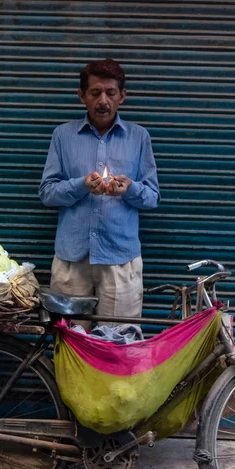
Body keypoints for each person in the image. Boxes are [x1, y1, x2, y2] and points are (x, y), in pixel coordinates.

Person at [39, 59, 160, 322]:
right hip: (72, 261)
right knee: (70, 342)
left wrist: (129, 189)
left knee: (118, 345)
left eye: (111, 93)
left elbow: (152, 197)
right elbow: (47, 193)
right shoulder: (63, 136)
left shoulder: (139, 137)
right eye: (95, 93)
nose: (103, 100)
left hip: (120, 260)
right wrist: (81, 185)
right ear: (82, 96)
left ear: (122, 96)